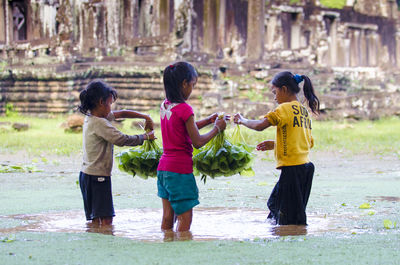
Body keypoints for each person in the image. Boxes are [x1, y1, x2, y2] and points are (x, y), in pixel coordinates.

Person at [234, 71, 320, 225]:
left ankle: (290, 238)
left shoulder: (284, 109)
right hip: (305, 168)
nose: (274, 97)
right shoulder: (304, 111)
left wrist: (242, 120)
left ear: (284, 89)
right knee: (276, 206)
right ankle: (281, 233)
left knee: (288, 216)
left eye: (275, 92)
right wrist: (276, 144)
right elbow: (307, 142)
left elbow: (260, 126)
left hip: (292, 169)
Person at [157, 61, 227, 233]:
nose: (192, 89)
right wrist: (217, 128)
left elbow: (184, 128)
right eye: (192, 85)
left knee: (168, 216)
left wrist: (208, 121)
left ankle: (166, 245)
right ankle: (181, 252)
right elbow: (198, 142)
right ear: (184, 84)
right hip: (180, 171)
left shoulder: (165, 105)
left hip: (164, 169)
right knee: (185, 218)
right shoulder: (185, 109)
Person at [78, 79, 155, 226]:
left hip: (86, 175)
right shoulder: (100, 123)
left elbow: (122, 113)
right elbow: (121, 139)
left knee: (95, 219)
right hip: (98, 177)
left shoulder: (92, 117)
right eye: (110, 103)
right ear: (101, 102)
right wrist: (145, 137)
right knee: (106, 220)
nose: (111, 108)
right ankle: (105, 243)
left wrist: (145, 116)